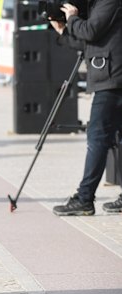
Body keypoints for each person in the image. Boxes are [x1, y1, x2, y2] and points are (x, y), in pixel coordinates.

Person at [49, 0, 122, 216]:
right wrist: (64, 31)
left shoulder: (110, 1)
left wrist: (72, 17)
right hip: (111, 78)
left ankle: (84, 199)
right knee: (114, 138)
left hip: (112, 80)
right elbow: (89, 44)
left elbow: (89, 31)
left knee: (97, 137)